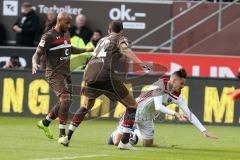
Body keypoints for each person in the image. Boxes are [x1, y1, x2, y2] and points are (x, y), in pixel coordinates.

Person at [58, 21, 152, 149]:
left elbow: (92, 58)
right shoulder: (119, 38)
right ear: (122, 31)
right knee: (132, 105)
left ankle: (67, 137)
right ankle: (124, 142)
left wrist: (86, 79)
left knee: (85, 107)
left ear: (108, 30)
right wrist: (141, 63)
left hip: (89, 75)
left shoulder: (102, 40)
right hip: (105, 75)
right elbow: (125, 49)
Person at [108, 69, 218, 147]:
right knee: (116, 142)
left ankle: (135, 132)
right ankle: (120, 132)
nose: (183, 86)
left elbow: (189, 113)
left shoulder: (178, 95)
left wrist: (203, 130)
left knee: (148, 144)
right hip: (135, 112)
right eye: (181, 83)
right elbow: (158, 106)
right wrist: (175, 113)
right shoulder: (160, 85)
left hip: (148, 118)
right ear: (174, 80)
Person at [32, 12, 93, 142]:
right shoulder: (48, 36)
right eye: (67, 22)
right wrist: (34, 63)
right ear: (59, 21)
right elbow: (37, 53)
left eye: (70, 22)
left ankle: (45, 122)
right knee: (65, 99)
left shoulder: (67, 34)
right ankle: (62, 134)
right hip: (54, 73)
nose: (69, 25)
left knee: (66, 101)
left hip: (66, 73)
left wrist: (86, 50)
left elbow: (69, 49)